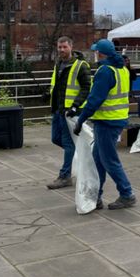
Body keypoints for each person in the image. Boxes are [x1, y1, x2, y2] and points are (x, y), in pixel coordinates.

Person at [69, 39, 136, 210]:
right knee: (98, 160)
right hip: (116, 118)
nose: (94, 54)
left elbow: (94, 100)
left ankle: (127, 194)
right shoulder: (122, 69)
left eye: (95, 52)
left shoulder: (105, 71)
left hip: (107, 121)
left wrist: (81, 119)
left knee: (109, 160)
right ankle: (95, 196)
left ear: (100, 53)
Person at [46, 36, 91, 190]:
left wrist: (75, 105)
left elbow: (86, 87)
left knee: (67, 142)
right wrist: (49, 95)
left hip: (69, 111)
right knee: (55, 138)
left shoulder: (81, 65)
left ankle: (65, 175)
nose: (62, 50)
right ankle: (77, 155)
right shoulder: (58, 64)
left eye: (65, 47)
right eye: (59, 47)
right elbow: (57, 85)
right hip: (58, 109)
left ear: (71, 47)